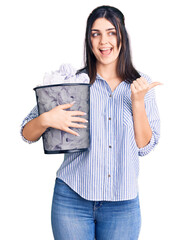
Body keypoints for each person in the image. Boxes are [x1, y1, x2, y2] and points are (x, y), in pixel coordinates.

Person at [20, 5, 161, 240]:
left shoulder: (141, 84)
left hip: (122, 206)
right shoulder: (74, 81)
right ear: (89, 40)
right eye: (96, 34)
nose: (103, 41)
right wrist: (46, 119)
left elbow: (144, 146)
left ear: (122, 37)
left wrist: (137, 102)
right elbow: (26, 132)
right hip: (71, 200)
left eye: (111, 32)